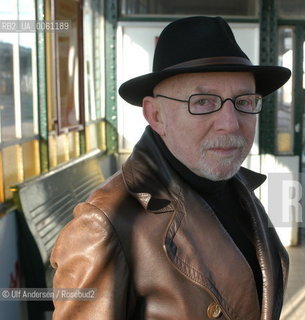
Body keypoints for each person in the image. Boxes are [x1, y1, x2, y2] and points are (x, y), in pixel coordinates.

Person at [50, 16, 291, 320]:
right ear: (156, 115)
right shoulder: (105, 224)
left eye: (244, 101)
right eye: (203, 102)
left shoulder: (236, 186)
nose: (230, 123)